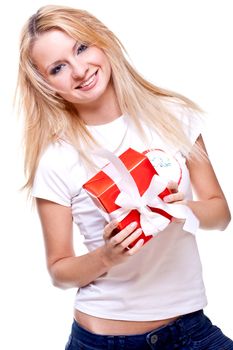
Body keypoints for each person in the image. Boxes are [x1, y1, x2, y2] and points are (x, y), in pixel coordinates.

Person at [17, 4, 232, 350]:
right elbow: (59, 270)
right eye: (58, 68)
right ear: (47, 85)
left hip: (190, 331)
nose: (79, 70)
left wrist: (184, 209)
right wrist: (107, 256)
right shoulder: (56, 159)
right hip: (104, 340)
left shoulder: (174, 116)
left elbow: (220, 214)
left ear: (102, 42)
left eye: (82, 48)